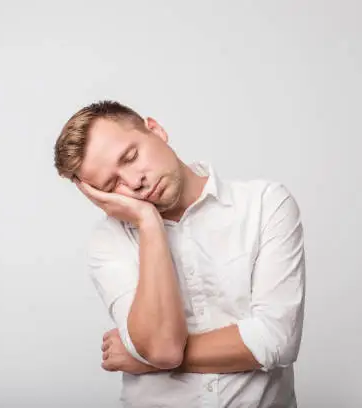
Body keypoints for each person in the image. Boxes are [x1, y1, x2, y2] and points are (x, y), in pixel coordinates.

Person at [54, 100, 306, 408]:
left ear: (156, 130)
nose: (135, 183)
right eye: (112, 184)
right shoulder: (108, 242)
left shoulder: (265, 204)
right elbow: (163, 349)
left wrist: (143, 360)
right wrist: (149, 223)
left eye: (131, 157)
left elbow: (276, 340)